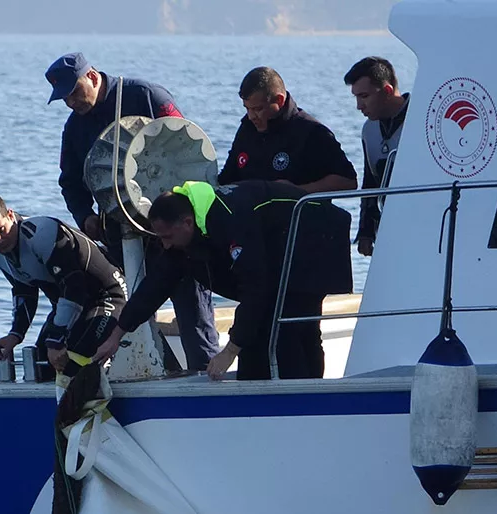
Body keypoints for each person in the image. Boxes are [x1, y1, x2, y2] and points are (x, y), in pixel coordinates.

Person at [45, 51, 220, 373]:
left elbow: (184, 147)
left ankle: (206, 377)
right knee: (132, 309)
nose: (71, 102)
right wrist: (84, 215)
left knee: (192, 309)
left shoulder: (146, 96)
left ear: (93, 77)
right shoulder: (74, 129)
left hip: (175, 230)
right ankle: (148, 373)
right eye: (64, 98)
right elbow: (70, 181)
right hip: (121, 233)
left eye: (74, 92)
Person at [93, 181, 352, 381]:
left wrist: (230, 351)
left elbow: (255, 286)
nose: (165, 243)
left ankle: (303, 401)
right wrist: (117, 335)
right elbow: (155, 286)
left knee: (289, 330)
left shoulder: (229, 220)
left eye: (168, 236)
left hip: (315, 241)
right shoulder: (184, 235)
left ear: (187, 222)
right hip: (278, 249)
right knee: (258, 340)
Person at [0, 192, 126, 381]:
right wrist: (15, 335)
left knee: (73, 356)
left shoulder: (43, 233)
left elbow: (74, 288)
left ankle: (88, 404)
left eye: (0, 230)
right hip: (71, 305)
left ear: (10, 215)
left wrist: (57, 339)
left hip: (108, 297)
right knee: (40, 366)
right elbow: (25, 294)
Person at [218, 66, 358, 195]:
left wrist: (297, 191)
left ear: (279, 100)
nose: (251, 116)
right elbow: (227, 179)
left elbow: (348, 181)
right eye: (247, 108)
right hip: (252, 217)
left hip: (298, 218)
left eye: (258, 109)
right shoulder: (247, 128)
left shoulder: (312, 132)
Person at [345, 56, 410, 258]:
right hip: (389, 226)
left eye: (364, 96)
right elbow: (371, 181)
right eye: (356, 97)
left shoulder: (422, 119)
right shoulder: (369, 130)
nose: (359, 105)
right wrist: (366, 230)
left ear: (387, 91)